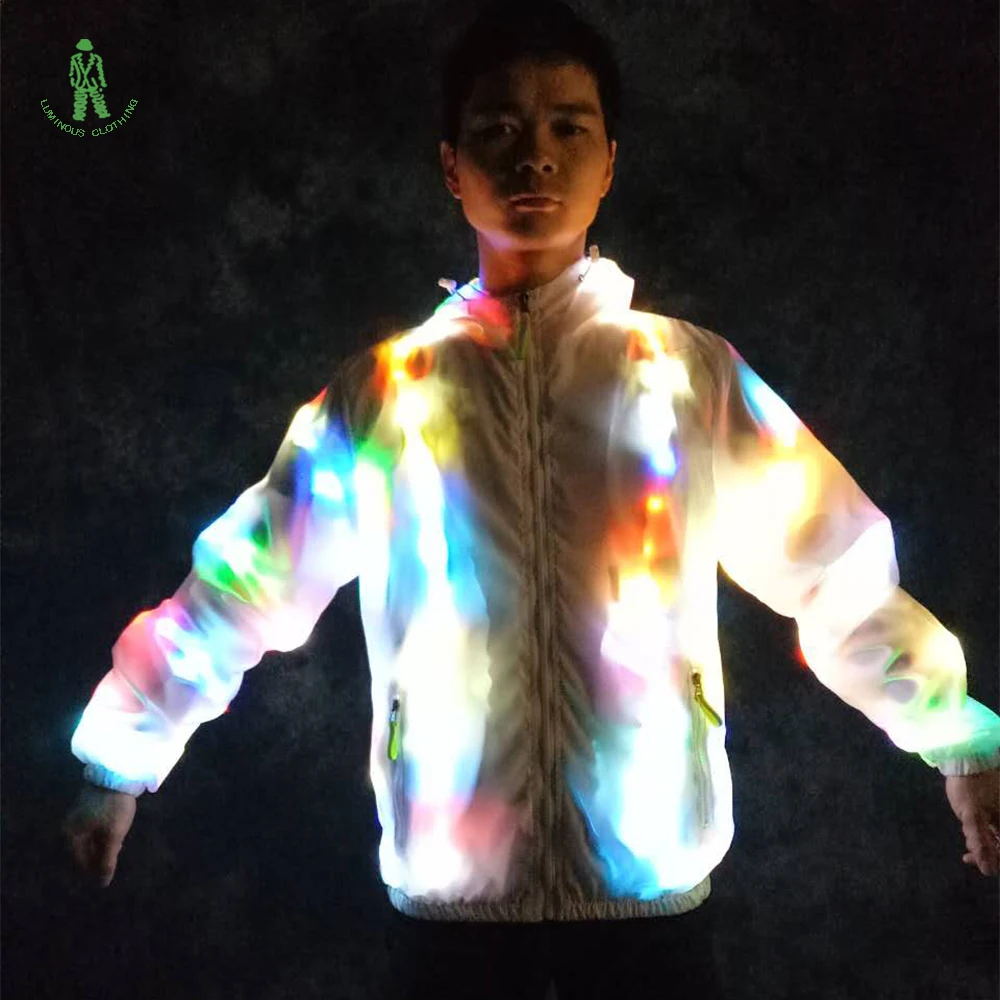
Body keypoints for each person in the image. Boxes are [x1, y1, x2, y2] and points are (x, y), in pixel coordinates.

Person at [63, 2, 1000, 998]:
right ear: (451, 165)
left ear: (609, 162)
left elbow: (834, 572)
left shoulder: (686, 377)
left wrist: (958, 738)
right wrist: (119, 758)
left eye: (568, 126)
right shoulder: (386, 395)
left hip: (649, 904)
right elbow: (243, 586)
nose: (535, 155)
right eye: (498, 127)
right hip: (451, 913)